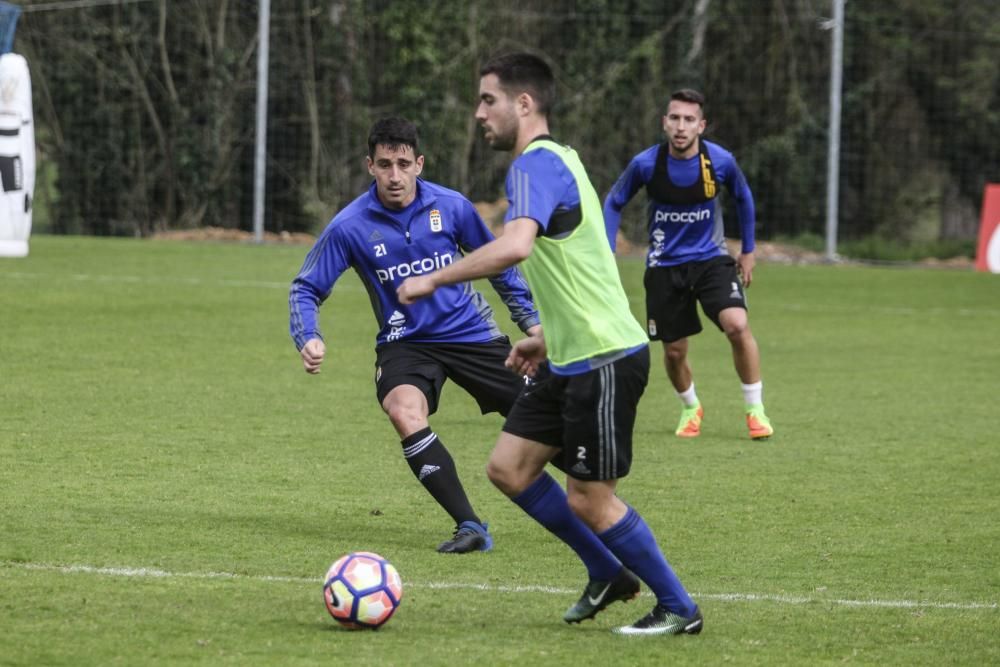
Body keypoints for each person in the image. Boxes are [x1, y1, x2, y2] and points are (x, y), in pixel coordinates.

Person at [398, 53, 702, 636]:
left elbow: (515, 247)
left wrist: (434, 277)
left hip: (605, 357)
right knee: (509, 468)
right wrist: (543, 335)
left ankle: (678, 607)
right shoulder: (559, 160)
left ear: (524, 103)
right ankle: (607, 572)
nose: (478, 113)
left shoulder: (534, 166)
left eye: (488, 100)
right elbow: (578, 260)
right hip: (569, 353)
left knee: (589, 498)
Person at [289, 117, 540, 554]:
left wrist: (531, 323)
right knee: (404, 411)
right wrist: (308, 335)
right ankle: (470, 525)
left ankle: (596, 505)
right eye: (384, 164)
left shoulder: (454, 207)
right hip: (405, 343)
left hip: (471, 334)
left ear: (419, 164)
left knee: (545, 419)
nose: (394, 175)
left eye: (403, 163)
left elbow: (500, 264)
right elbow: (306, 286)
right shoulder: (350, 225)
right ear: (370, 166)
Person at [604, 89, 774, 441]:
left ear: (701, 125)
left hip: (711, 260)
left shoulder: (720, 162)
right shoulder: (647, 164)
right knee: (675, 351)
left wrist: (748, 250)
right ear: (665, 123)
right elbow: (614, 201)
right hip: (665, 265)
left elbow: (744, 198)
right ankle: (690, 407)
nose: (681, 126)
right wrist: (607, 251)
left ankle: (755, 410)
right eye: (675, 118)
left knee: (737, 326)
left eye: (689, 120)